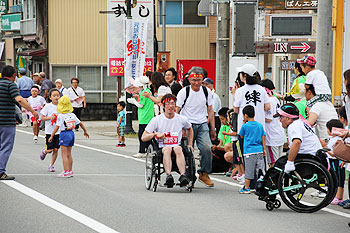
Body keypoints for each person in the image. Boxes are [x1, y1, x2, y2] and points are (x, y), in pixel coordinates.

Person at [176, 66, 216, 187]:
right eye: (194, 80)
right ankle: (186, 173)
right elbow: (177, 110)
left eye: (199, 80)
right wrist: (179, 128)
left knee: (207, 148)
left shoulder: (206, 91)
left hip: (202, 123)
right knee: (187, 151)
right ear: (189, 80)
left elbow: (210, 109)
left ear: (202, 80)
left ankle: (203, 172)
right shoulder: (184, 92)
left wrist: (213, 128)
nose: (196, 83)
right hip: (187, 124)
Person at [142, 94, 193, 187]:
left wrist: (190, 144)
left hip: (177, 146)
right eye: (168, 104)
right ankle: (168, 175)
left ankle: (183, 175)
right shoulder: (156, 120)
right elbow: (143, 137)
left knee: (177, 148)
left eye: (173, 103)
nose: (170, 106)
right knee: (168, 149)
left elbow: (189, 128)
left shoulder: (181, 119)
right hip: (162, 147)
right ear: (163, 106)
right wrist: (155, 134)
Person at [0, 65, 39, 180]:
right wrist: (32, 111)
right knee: (5, 146)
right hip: (6, 121)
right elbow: (19, 99)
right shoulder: (10, 85)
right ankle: (1, 171)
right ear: (13, 76)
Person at [274, 103, 322, 174]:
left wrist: (290, 163)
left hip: (309, 157)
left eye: (281, 117)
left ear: (288, 119)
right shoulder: (301, 123)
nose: (280, 120)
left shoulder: (294, 126)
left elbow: (297, 142)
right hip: (316, 155)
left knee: (279, 164)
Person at [48, 95, 89, 178]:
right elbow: (80, 123)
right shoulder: (72, 115)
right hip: (71, 133)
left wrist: (52, 136)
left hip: (64, 134)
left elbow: (57, 127)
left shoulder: (61, 116)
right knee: (69, 154)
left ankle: (66, 171)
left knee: (64, 154)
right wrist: (85, 131)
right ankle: (70, 170)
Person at [233, 64, 270, 133]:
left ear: (245, 75)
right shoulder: (261, 89)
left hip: (244, 126)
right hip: (259, 126)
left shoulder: (239, 91)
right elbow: (268, 107)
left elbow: (236, 110)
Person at [238, 105, 266, 194]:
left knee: (249, 171)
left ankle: (246, 187)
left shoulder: (245, 126)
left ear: (246, 115)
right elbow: (263, 137)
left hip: (249, 151)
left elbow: (241, 136)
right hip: (259, 150)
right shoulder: (260, 125)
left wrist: (243, 124)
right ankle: (261, 187)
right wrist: (264, 149)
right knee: (260, 170)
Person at [127, 76, 155, 158]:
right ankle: (148, 150)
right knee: (148, 135)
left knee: (142, 135)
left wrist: (133, 102)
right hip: (148, 116)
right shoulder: (147, 91)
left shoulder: (144, 93)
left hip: (145, 117)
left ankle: (142, 151)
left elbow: (140, 105)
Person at [260, 79, 285, 167]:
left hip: (272, 136)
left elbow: (269, 119)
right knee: (278, 162)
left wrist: (259, 117)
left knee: (273, 163)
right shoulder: (275, 99)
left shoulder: (269, 101)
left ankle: (275, 180)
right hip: (278, 133)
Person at [322, 119, 345, 205]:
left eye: (327, 129)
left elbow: (334, 154)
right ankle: (335, 195)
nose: (327, 131)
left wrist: (324, 146)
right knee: (334, 178)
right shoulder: (333, 139)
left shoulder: (337, 140)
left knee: (339, 179)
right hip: (332, 162)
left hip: (336, 161)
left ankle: (339, 197)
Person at [40, 88, 61, 172]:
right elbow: (42, 117)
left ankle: (51, 165)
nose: (56, 97)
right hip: (49, 131)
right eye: (54, 96)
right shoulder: (48, 106)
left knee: (56, 149)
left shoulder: (61, 106)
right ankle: (45, 151)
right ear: (50, 97)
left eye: (58, 95)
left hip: (59, 131)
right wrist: (50, 118)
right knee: (50, 149)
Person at [211, 107, 233, 174]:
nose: (221, 121)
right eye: (220, 119)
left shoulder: (233, 128)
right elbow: (221, 143)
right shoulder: (223, 127)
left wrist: (218, 148)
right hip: (222, 149)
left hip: (228, 149)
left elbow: (229, 147)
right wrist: (216, 147)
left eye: (222, 119)